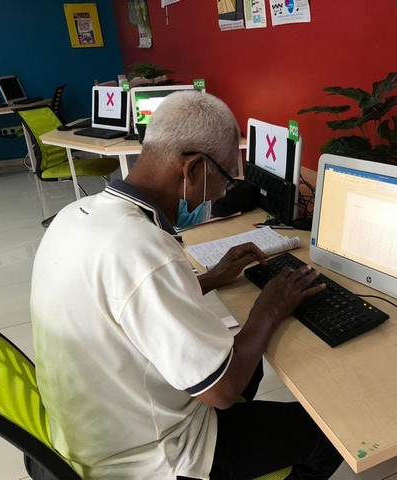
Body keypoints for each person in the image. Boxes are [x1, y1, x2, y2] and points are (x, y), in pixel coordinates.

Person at [30, 91, 343, 480]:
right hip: (148, 456)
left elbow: (125, 301)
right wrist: (269, 308)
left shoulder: (76, 214)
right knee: (328, 434)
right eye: (224, 180)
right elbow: (222, 392)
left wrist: (210, 279)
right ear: (194, 168)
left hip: (92, 427)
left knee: (247, 362)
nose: (221, 194)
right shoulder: (144, 248)